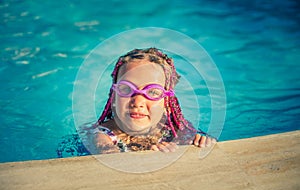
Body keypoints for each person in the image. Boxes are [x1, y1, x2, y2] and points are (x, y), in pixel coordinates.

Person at [83, 47, 216, 154]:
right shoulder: (102, 135)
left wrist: (200, 143)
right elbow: (114, 162)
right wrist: (151, 157)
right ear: (113, 98)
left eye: (152, 92)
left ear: (167, 104)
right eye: (126, 89)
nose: (137, 102)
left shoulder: (174, 130)